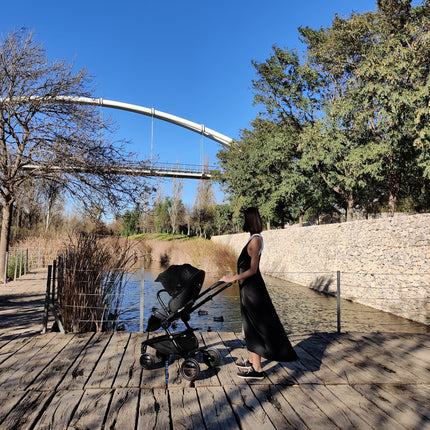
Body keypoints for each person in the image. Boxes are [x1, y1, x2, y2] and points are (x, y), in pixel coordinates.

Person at [220, 207, 298, 379]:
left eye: (244, 218)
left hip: (253, 290)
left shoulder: (255, 240)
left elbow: (253, 270)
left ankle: (257, 370)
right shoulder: (252, 239)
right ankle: (251, 361)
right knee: (250, 326)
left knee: (255, 327)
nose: (243, 221)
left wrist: (233, 277)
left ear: (250, 220)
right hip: (247, 288)